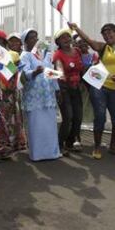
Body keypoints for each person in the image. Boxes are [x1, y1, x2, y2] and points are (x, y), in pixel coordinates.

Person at [69, 23, 115, 159]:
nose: (107, 36)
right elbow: (89, 40)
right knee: (100, 116)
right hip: (100, 86)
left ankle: (113, 145)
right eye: (104, 35)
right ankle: (97, 147)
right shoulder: (103, 47)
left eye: (110, 33)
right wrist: (76, 28)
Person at [20, 28, 60, 161]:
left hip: (48, 95)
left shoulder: (45, 54)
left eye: (36, 37)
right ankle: (37, 154)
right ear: (25, 42)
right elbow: (24, 73)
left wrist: (57, 86)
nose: (35, 40)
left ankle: (52, 152)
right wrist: (35, 72)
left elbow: (50, 72)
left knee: (49, 125)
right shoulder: (25, 55)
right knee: (36, 126)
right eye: (31, 37)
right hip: (34, 96)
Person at [53, 28, 84, 157]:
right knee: (68, 117)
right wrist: (61, 75)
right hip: (64, 89)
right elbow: (59, 67)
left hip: (76, 88)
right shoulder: (58, 54)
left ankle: (70, 143)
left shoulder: (77, 51)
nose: (66, 39)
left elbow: (82, 67)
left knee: (78, 117)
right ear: (58, 42)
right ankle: (59, 145)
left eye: (67, 37)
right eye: (62, 38)